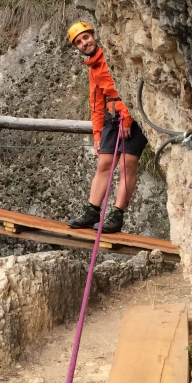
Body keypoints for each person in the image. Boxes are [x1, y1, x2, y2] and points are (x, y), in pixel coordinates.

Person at [63, 20, 143, 233]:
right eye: (79, 42)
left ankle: (117, 215)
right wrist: (97, 134)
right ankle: (92, 211)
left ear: (93, 34)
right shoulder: (92, 69)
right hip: (112, 115)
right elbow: (96, 103)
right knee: (104, 163)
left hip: (133, 112)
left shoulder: (111, 56)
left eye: (86, 37)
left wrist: (127, 116)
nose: (84, 43)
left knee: (127, 163)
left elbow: (130, 82)